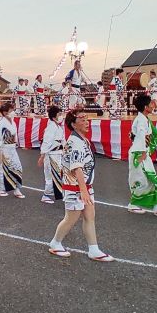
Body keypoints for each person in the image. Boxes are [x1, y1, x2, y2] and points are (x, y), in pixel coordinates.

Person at [47, 108, 113, 262]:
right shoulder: (74, 142)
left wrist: (85, 189)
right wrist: (83, 190)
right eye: (82, 119)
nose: (86, 122)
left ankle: (93, 249)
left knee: (90, 217)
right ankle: (55, 243)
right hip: (75, 187)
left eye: (86, 118)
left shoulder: (82, 139)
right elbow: (77, 167)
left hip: (84, 186)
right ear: (73, 124)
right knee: (71, 218)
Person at [127, 94, 157, 216]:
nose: (153, 106)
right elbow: (140, 136)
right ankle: (133, 203)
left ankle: (156, 207)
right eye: (150, 104)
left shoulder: (143, 119)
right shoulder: (141, 120)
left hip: (142, 152)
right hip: (139, 153)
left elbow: (148, 133)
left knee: (151, 179)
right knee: (142, 180)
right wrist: (143, 152)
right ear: (145, 107)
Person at [0, 102, 24, 198]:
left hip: (12, 148)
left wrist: (16, 143)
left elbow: (15, 135)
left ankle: (17, 188)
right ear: (5, 112)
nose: (13, 112)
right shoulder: (1, 123)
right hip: (3, 149)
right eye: (11, 111)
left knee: (17, 167)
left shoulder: (13, 121)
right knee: (2, 169)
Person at [38, 105, 64, 204]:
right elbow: (46, 142)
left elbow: (62, 141)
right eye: (59, 114)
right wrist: (42, 156)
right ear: (54, 117)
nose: (61, 116)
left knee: (59, 174)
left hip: (58, 153)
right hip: (51, 154)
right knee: (50, 175)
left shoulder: (58, 127)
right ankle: (46, 195)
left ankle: (58, 192)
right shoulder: (51, 127)